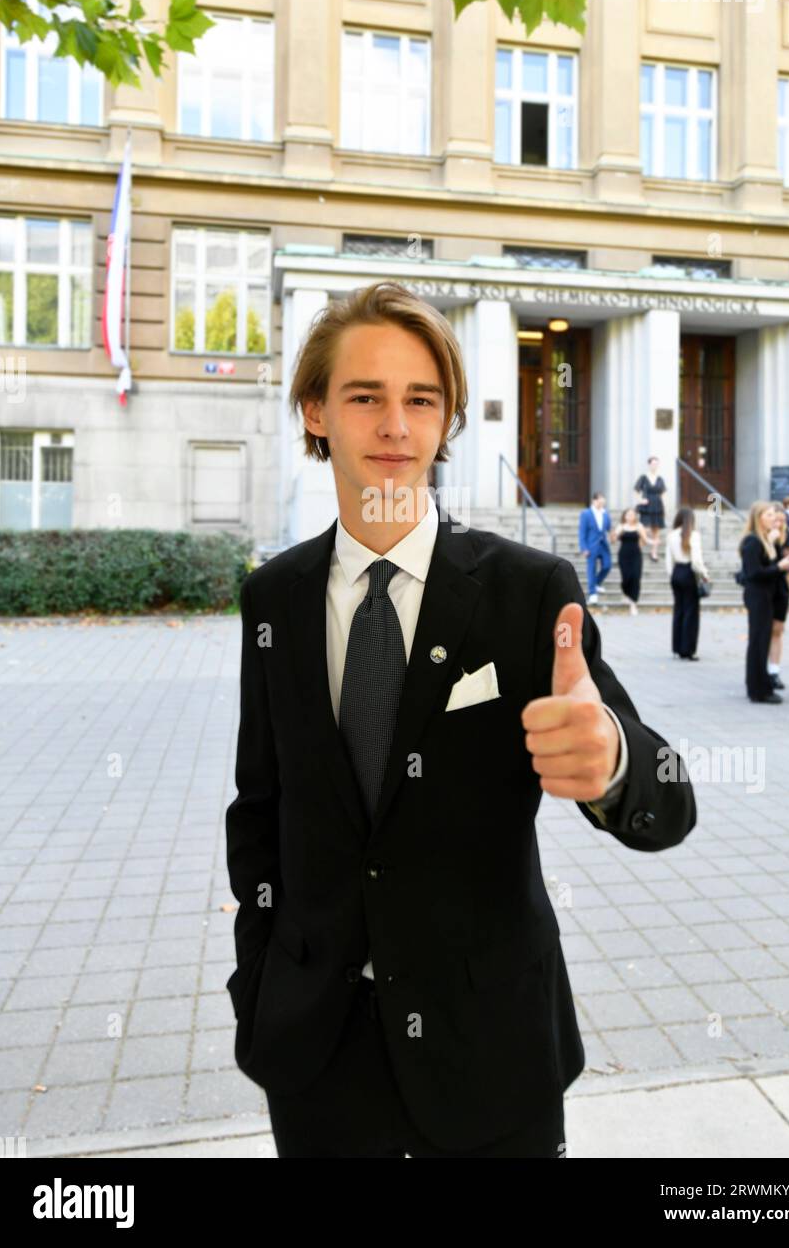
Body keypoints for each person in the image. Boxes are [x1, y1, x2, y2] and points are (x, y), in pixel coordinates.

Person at [224, 281, 696, 1159]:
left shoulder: (526, 593)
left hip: (490, 1056)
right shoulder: (274, 600)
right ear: (315, 410)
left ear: (446, 422)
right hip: (317, 1058)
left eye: (421, 399)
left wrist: (618, 761)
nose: (395, 425)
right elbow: (261, 806)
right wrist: (257, 981)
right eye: (365, 396)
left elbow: (670, 798)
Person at [738, 501, 789, 704]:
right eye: (770, 515)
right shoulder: (752, 542)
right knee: (758, 641)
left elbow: (769, 566)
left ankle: (762, 684)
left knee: (763, 641)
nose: (775, 519)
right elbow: (754, 573)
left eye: (775, 515)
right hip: (758, 596)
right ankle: (757, 690)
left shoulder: (765, 540)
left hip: (766, 595)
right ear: (760, 518)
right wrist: (780, 566)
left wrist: (778, 555)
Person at [665, 506, 709, 660]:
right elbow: (696, 561)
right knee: (691, 612)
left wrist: (672, 575)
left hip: (677, 572)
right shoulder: (694, 535)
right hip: (689, 572)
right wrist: (704, 574)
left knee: (679, 610)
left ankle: (677, 647)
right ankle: (688, 649)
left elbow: (668, 560)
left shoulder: (671, 535)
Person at [766, 504, 789, 691]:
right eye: (776, 519)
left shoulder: (786, 538)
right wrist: (769, 542)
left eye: (783, 521)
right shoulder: (763, 539)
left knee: (777, 630)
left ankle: (774, 670)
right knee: (763, 631)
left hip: (781, 590)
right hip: (765, 591)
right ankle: (763, 669)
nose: (780, 524)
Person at [578, 492, 613, 606]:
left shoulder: (605, 513)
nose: (602, 503)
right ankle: (592, 594)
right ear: (594, 501)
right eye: (600, 501)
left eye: (603, 502)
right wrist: (584, 548)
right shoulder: (586, 513)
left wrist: (614, 535)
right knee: (591, 569)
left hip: (603, 545)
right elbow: (582, 532)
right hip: (591, 546)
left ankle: (596, 583)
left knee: (607, 565)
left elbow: (608, 528)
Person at [634, 456, 666, 562]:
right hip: (646, 506)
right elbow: (636, 490)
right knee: (645, 529)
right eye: (653, 463)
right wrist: (640, 500)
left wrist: (663, 507)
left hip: (657, 505)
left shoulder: (660, 478)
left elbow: (663, 493)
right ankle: (637, 551)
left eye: (656, 464)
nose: (655, 466)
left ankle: (654, 553)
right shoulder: (643, 477)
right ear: (649, 464)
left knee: (656, 530)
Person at [616, 507, 647, 614]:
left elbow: (645, 540)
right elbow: (613, 539)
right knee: (626, 577)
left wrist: (644, 539)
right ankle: (625, 593)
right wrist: (619, 531)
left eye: (632, 515)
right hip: (623, 555)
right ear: (624, 516)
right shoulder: (621, 526)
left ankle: (633, 603)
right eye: (627, 514)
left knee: (635, 577)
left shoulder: (639, 526)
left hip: (636, 555)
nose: (629, 517)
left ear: (635, 517)